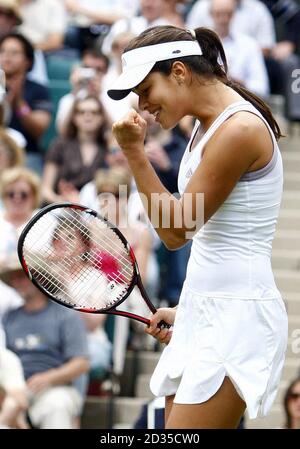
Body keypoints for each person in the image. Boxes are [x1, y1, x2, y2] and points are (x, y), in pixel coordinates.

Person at [108, 25, 288, 428]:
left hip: (238, 314)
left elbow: (176, 232)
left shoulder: (239, 129)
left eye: (144, 89)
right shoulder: (202, 125)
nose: (142, 105)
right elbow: (209, 236)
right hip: (204, 308)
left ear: (179, 72)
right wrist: (187, 309)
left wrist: (134, 153)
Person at [1, 262, 90, 429]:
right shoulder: (9, 318)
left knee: (56, 406)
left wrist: (48, 378)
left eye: (23, 276)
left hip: (55, 389)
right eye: (14, 278)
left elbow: (82, 363)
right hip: (15, 390)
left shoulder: (65, 315)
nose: (18, 282)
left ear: (39, 278)